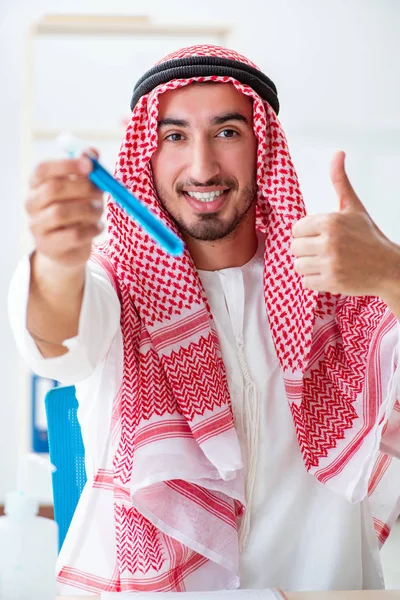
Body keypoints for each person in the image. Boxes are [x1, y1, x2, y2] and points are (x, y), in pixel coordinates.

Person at [8, 44, 400, 595]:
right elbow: (55, 340)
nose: (202, 167)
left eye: (227, 132)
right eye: (175, 136)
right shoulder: (111, 285)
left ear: (263, 146)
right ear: (148, 153)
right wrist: (54, 259)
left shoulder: (343, 285)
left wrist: (393, 276)